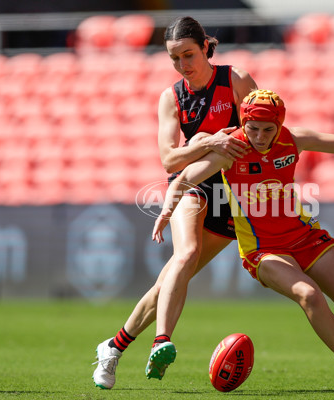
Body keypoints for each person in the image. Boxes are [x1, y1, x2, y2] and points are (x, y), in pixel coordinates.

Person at [152, 89, 334, 393]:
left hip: (304, 237)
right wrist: (167, 210)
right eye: (252, 129)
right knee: (309, 294)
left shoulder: (292, 139)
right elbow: (184, 178)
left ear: (280, 125)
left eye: (267, 130)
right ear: (243, 124)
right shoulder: (230, 149)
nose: (259, 137)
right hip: (262, 250)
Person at [92, 16, 257, 389]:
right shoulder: (172, 98)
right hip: (191, 186)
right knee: (186, 254)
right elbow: (169, 160)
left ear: (205, 48)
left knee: (169, 282)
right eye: (174, 59)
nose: (183, 65)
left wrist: (206, 143)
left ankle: (113, 348)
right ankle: (162, 340)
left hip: (230, 193)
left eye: (188, 54)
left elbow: (259, 131)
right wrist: (209, 141)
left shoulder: (237, 80)